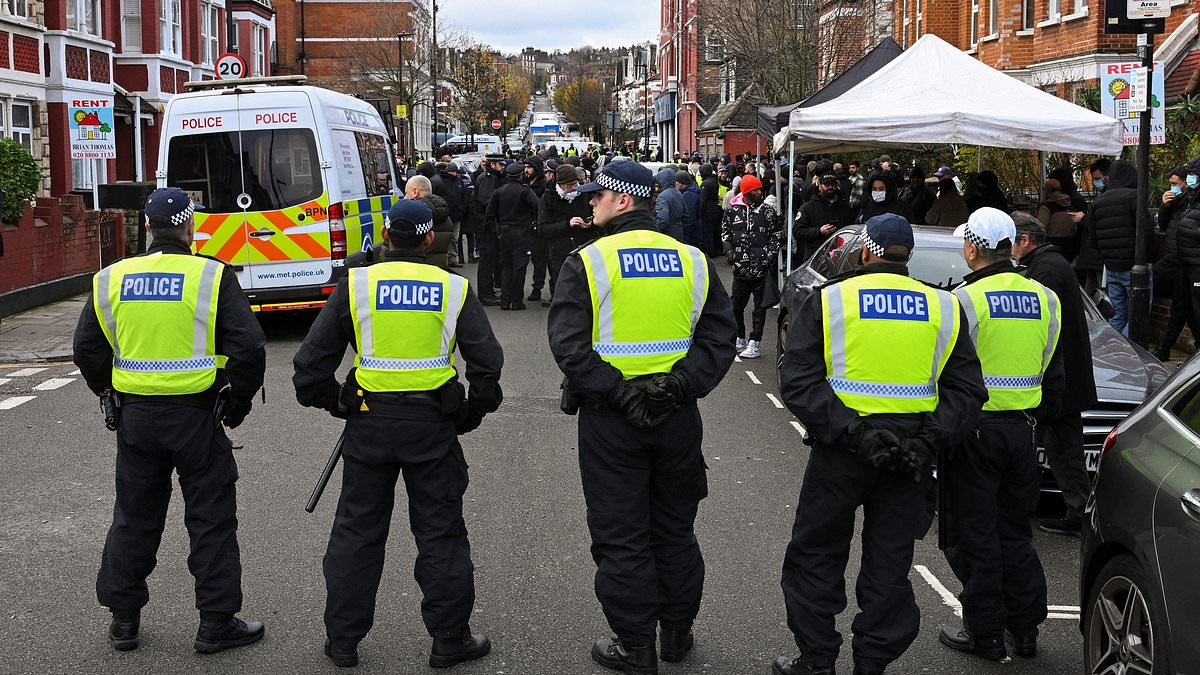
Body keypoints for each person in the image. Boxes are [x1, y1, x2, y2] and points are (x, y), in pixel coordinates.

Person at [292, 199, 504, 669]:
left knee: (357, 532)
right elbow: (487, 365)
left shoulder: (357, 285)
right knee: (441, 533)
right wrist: (469, 413)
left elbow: (308, 368)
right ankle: (449, 639)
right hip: (433, 426)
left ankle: (343, 641)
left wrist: (338, 401)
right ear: (430, 238)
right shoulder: (452, 288)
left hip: (369, 423)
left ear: (385, 235)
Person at [774, 214, 987, 675]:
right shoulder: (944, 307)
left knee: (815, 555)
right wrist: (930, 436)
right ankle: (872, 663)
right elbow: (968, 391)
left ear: (866, 250)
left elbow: (797, 380)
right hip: (909, 458)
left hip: (842, 452)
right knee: (890, 564)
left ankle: (816, 660)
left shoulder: (829, 300)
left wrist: (851, 432)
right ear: (906, 256)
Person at [547, 161, 737, 675]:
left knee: (621, 533)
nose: (590, 203)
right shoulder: (694, 261)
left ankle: (636, 646)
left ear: (623, 200)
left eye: (598, 196)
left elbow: (568, 344)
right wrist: (679, 384)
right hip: (677, 416)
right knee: (674, 527)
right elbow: (720, 339)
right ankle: (676, 635)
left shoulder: (588, 261)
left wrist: (617, 390)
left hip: (613, 421)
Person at [73, 187, 267, 654]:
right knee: (211, 520)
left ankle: (124, 622)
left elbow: (87, 349)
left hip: (137, 419)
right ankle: (216, 623)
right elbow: (250, 347)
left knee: (134, 518)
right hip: (197, 417)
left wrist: (108, 393)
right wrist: (235, 403)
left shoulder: (111, 278)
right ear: (190, 226)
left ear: (146, 227)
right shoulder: (210, 276)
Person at [938, 208, 1064, 661]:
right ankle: (1025, 630)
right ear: (1011, 246)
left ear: (972, 247)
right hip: (1022, 432)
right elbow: (1051, 365)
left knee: (974, 535)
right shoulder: (1045, 298)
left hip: (975, 433)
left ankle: (985, 634)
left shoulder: (964, 301)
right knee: (1014, 532)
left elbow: (946, 369)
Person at [1011, 213, 1097, 535]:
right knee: (1062, 452)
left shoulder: (1045, 269)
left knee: (1065, 453)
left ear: (1026, 240)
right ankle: (1078, 512)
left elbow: (1040, 327)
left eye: (1013, 242)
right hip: (1066, 376)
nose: (1010, 250)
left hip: (1061, 379)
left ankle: (1082, 517)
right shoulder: (1052, 263)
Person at [721, 174, 783, 360]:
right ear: (747, 191)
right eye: (755, 189)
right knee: (735, 307)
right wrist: (731, 256)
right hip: (739, 270)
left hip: (760, 269)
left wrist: (767, 258)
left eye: (759, 189)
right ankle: (739, 338)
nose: (759, 192)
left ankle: (755, 342)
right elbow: (725, 234)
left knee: (759, 308)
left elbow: (777, 235)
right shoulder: (732, 211)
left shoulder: (768, 211)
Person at [1088, 159, 1139, 335]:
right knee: (1137, 315)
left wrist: (1107, 256)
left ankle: (1112, 347)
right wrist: (1147, 260)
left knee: (1117, 313)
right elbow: (1145, 231)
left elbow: (1092, 239)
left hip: (1111, 267)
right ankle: (1130, 351)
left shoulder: (1098, 202)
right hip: (1133, 266)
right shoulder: (1134, 197)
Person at [537, 164, 598, 304]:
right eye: (569, 185)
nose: (574, 187)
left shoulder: (585, 195)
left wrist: (591, 223)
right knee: (561, 286)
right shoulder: (548, 199)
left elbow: (598, 217)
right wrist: (567, 224)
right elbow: (543, 229)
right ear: (560, 184)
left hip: (584, 248)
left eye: (576, 183)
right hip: (559, 251)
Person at [488, 161, 540, 310]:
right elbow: (537, 206)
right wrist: (532, 222)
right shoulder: (525, 191)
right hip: (522, 232)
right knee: (520, 266)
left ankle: (505, 300)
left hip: (504, 233)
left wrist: (497, 229)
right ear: (520, 175)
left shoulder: (499, 191)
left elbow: (490, 213)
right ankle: (517, 301)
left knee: (505, 266)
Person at [1153, 167, 1192, 360]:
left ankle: (1164, 348)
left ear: (1186, 183)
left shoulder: (1191, 203)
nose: (1172, 187)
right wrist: (1164, 206)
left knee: (1180, 308)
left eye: (1175, 184)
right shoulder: (1175, 203)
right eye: (1171, 183)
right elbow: (1162, 225)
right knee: (1149, 284)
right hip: (1169, 259)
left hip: (1184, 263)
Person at [793, 174, 850, 263]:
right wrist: (819, 231)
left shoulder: (843, 206)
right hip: (814, 257)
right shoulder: (808, 208)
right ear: (819, 186)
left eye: (833, 185)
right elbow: (797, 231)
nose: (830, 187)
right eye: (827, 185)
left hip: (839, 257)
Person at [472, 155, 506, 306]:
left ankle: (489, 291)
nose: (503, 167)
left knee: (491, 259)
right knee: (487, 261)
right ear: (493, 164)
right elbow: (488, 202)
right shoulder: (488, 179)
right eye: (501, 165)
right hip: (488, 225)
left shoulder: (492, 177)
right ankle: (486, 294)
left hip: (490, 224)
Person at [405, 175, 454, 271]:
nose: (404, 197)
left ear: (415, 192)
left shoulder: (413, 215)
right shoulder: (445, 217)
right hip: (438, 271)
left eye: (406, 193)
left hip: (417, 271)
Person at [524, 156, 550, 303]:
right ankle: (536, 287)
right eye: (525, 167)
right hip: (528, 226)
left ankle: (539, 288)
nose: (526, 170)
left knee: (543, 261)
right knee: (536, 260)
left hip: (541, 226)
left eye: (529, 167)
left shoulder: (543, 185)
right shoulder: (525, 182)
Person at [435, 162, 467, 268]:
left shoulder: (459, 181)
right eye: (452, 171)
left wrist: (462, 208)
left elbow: (463, 195)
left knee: (454, 238)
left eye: (455, 171)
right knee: (445, 237)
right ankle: (444, 259)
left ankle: (452, 258)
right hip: (446, 215)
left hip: (457, 214)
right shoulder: (442, 181)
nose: (454, 173)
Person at [1036, 179, 1077, 255]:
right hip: (1071, 243)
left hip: (1052, 244)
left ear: (1047, 190)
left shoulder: (1046, 207)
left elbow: (1040, 227)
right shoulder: (1070, 205)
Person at [654, 167, 686, 241]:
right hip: (678, 233)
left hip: (667, 235)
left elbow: (663, 220)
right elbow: (685, 216)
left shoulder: (663, 196)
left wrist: (655, 233)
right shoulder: (678, 193)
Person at [698, 164, 723, 255]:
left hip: (707, 212)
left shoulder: (705, 184)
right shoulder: (714, 181)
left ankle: (710, 252)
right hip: (715, 209)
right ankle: (717, 250)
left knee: (707, 233)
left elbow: (703, 200)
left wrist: (699, 213)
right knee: (714, 232)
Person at [676, 170, 703, 248]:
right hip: (694, 232)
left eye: (676, 182)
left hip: (691, 234)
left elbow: (689, 217)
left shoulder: (689, 195)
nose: (675, 184)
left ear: (681, 183)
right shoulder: (691, 191)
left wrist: (686, 236)